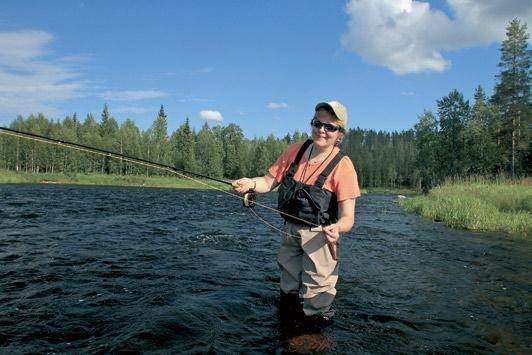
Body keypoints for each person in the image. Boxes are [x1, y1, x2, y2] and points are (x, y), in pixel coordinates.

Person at [232, 100, 360, 324]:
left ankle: (313, 337)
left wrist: (337, 228)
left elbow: (348, 218)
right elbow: (268, 181)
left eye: (330, 127)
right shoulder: (295, 150)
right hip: (290, 231)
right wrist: (250, 183)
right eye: (317, 123)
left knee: (317, 297)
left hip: (321, 237)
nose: (322, 130)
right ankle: (288, 328)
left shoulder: (343, 165)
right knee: (288, 288)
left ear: (340, 133)